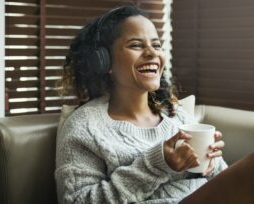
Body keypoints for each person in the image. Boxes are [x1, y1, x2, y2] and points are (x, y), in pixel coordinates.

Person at [55, 5, 254, 204]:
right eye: (136, 45)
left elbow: (220, 182)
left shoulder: (176, 116)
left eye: (157, 45)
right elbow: (77, 201)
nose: (152, 53)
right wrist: (158, 163)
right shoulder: (85, 127)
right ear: (104, 61)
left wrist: (209, 161)